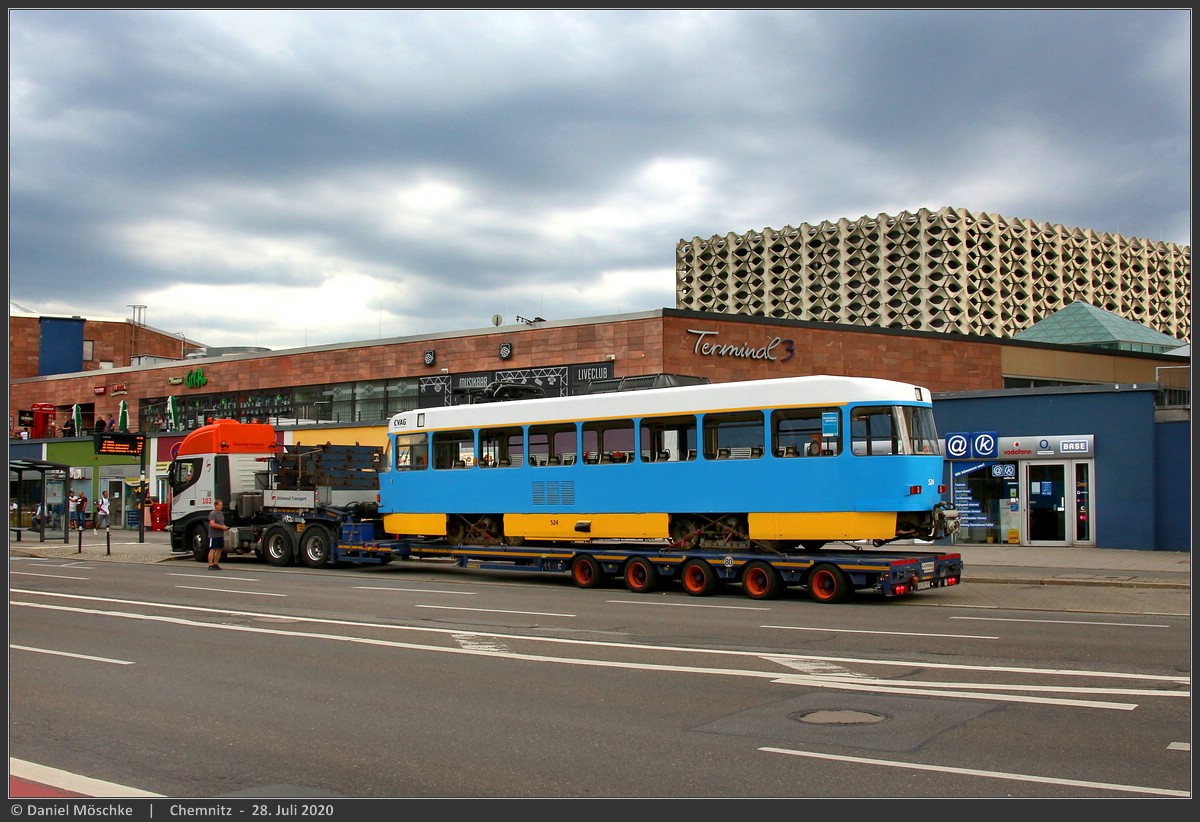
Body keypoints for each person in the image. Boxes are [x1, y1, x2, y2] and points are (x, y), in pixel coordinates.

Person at [207, 499, 230, 570]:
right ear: (216, 505)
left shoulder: (221, 513)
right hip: (213, 535)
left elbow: (221, 523)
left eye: (222, 505)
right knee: (212, 549)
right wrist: (221, 527)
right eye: (220, 505)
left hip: (220, 534)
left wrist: (225, 527)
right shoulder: (213, 513)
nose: (221, 506)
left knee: (219, 549)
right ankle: (210, 565)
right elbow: (212, 524)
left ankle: (215, 564)